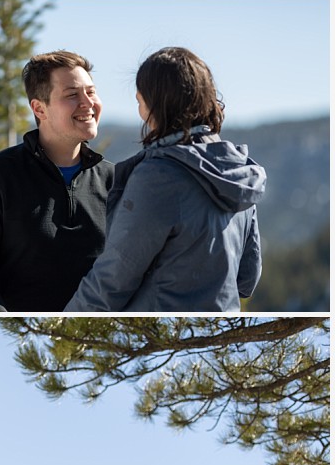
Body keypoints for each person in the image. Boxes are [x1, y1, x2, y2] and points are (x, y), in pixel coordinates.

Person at [64, 47, 265, 311]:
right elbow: (247, 279)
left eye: (139, 100)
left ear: (155, 104)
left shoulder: (159, 177)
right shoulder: (237, 170)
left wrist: (65, 324)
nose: (139, 111)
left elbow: (113, 279)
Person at [0, 51, 114, 312]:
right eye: (72, 95)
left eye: (91, 92)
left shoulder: (115, 180)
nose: (87, 103)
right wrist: (7, 324)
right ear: (39, 108)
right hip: (27, 333)